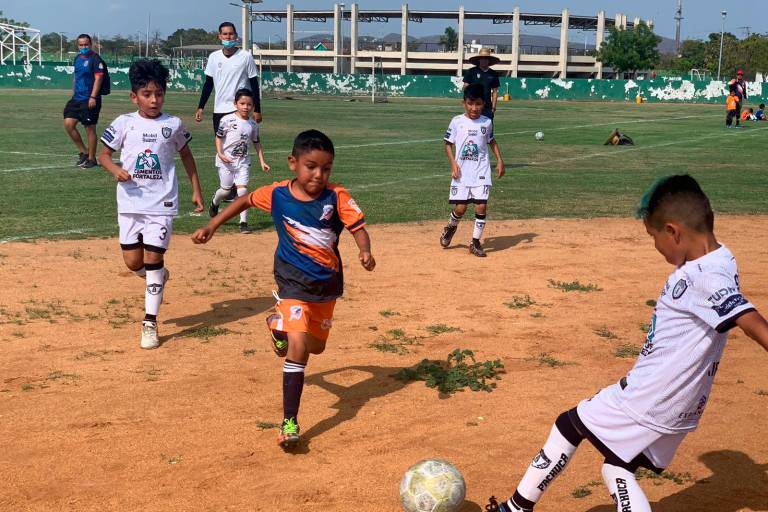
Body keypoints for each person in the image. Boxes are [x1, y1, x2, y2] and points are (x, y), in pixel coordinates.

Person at [486, 174, 768, 512]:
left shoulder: (702, 276)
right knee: (617, 468)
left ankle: (515, 508)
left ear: (673, 232)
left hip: (650, 396)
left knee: (569, 425)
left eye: (653, 237)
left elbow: (751, 322)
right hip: (682, 405)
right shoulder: (722, 259)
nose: (655, 246)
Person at [191, 129, 376, 450]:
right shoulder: (277, 194)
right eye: (311, 166)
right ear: (293, 163)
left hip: (326, 285)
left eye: (326, 168)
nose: (319, 174)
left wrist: (365, 250)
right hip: (291, 283)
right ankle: (289, 421)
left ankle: (276, 326)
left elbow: (357, 227)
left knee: (316, 347)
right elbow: (246, 199)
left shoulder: (337, 197)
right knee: (299, 347)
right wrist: (212, 224)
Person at [98, 59, 204, 349]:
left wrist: (196, 189)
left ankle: (149, 323)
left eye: (159, 93)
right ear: (135, 97)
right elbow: (103, 154)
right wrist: (115, 170)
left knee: (154, 260)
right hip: (130, 203)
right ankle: (155, 277)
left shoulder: (173, 125)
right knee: (134, 263)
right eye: (147, 94)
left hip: (161, 202)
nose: (154, 99)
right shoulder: (124, 123)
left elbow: (186, 156)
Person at [440, 83, 505, 257]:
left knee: (481, 207)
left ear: (483, 104)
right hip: (462, 173)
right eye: (470, 103)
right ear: (464, 103)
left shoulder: (487, 122)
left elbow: (491, 141)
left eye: (477, 104)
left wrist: (499, 160)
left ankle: (475, 242)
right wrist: (453, 164)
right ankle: (451, 226)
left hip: (481, 171)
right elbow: (447, 144)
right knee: (460, 209)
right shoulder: (457, 121)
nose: (474, 108)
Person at [209, 88, 270, 234]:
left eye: (249, 104)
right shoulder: (227, 120)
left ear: (253, 106)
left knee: (242, 190)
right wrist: (221, 153)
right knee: (225, 191)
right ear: (235, 104)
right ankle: (214, 202)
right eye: (242, 103)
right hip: (226, 161)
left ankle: (243, 222)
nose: (245, 107)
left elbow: (256, 142)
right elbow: (218, 137)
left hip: (243, 162)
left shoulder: (253, 124)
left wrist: (262, 161)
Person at [195, 22, 262, 134]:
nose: (228, 37)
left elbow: (254, 84)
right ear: (220, 36)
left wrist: (257, 109)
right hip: (219, 110)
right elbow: (208, 84)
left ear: (236, 35)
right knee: (221, 146)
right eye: (225, 34)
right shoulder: (213, 57)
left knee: (237, 145)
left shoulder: (246, 56)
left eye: (231, 34)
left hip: (238, 109)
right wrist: (201, 107)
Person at [63, 34, 105, 169]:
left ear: (91, 44)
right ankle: (84, 152)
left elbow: (98, 79)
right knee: (68, 124)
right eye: (81, 45)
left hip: (90, 98)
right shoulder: (77, 58)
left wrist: (93, 97)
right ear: (78, 45)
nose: (83, 47)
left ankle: (92, 159)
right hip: (77, 98)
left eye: (86, 44)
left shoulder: (95, 59)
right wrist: (74, 92)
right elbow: (76, 77)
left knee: (90, 129)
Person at [463, 48, 501, 120]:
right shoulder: (471, 71)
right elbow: (466, 88)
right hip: (474, 107)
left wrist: (493, 108)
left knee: (487, 130)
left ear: (489, 60)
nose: (484, 60)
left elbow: (495, 92)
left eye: (486, 58)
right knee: (472, 128)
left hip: (487, 108)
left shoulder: (493, 74)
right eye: (482, 58)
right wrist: (467, 105)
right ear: (479, 59)